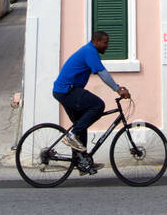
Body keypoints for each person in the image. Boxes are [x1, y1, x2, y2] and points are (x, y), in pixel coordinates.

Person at [53, 30, 129, 174]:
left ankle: (83, 163)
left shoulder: (89, 50)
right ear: (96, 42)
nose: (107, 46)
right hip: (67, 90)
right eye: (105, 43)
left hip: (63, 91)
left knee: (82, 124)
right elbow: (102, 73)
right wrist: (118, 89)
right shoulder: (90, 51)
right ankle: (72, 135)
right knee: (98, 105)